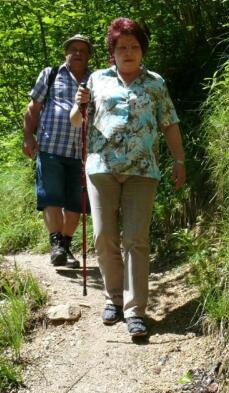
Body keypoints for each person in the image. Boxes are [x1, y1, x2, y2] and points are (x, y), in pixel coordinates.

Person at [70, 18, 186, 337]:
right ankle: (114, 299)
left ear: (142, 50)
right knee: (104, 236)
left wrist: (179, 160)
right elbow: (77, 121)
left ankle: (135, 310)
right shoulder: (96, 80)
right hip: (101, 168)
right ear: (113, 51)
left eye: (135, 46)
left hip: (142, 171)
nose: (129, 52)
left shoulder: (155, 84)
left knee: (136, 239)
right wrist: (79, 107)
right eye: (122, 47)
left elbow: (170, 123)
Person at [23, 34, 93, 268]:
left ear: (89, 56)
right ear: (65, 53)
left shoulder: (96, 80)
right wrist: (28, 136)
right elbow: (34, 107)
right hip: (51, 145)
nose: (77, 53)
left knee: (76, 202)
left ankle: (65, 246)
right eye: (73, 49)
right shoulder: (51, 74)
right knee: (51, 196)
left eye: (83, 50)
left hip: (83, 152)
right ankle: (56, 245)